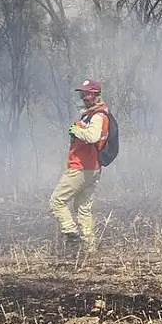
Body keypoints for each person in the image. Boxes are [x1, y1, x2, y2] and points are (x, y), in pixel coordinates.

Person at [49, 78, 110, 253]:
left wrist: (75, 130)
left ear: (95, 93)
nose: (83, 96)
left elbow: (92, 137)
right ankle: (89, 248)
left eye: (86, 93)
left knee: (57, 201)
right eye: (82, 93)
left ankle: (71, 233)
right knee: (83, 208)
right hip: (92, 168)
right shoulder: (93, 113)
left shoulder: (98, 116)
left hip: (82, 167)